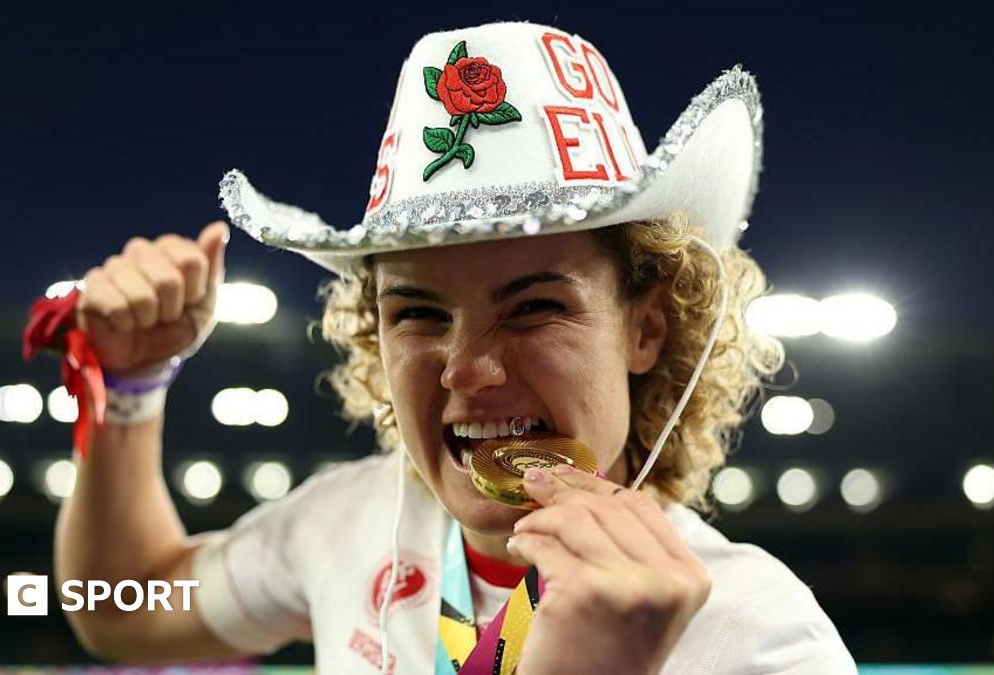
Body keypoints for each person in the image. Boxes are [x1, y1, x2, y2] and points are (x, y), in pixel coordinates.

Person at [45, 21, 857, 675]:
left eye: (534, 307)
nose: (468, 367)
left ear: (646, 327)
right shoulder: (353, 520)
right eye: (419, 314)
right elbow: (124, 608)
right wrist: (131, 384)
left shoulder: (760, 638)